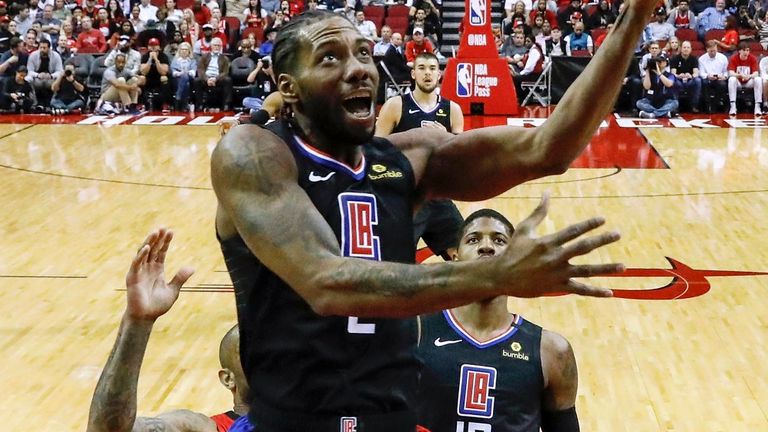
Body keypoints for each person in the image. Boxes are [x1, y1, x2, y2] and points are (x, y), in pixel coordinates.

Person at [212, 5, 656, 430]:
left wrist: (634, 17)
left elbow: (548, 148)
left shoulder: (409, 157)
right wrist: (495, 274)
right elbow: (327, 283)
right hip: (291, 421)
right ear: (288, 87)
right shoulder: (253, 153)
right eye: (330, 58)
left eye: (363, 53)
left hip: (392, 420)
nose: (357, 68)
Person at [417, 209, 580, 432]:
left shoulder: (552, 352)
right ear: (455, 258)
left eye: (499, 240)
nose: (486, 246)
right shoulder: (415, 332)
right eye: (473, 239)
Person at [85, 228, 249, 432]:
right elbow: (106, 429)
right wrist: (138, 322)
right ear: (228, 379)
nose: (267, 354)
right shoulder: (204, 427)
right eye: (250, 351)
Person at [375, 52, 465, 261]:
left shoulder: (452, 109)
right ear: (413, 74)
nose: (427, 73)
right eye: (422, 68)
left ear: (439, 74)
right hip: (405, 200)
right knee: (396, 263)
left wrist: (447, 138)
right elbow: (374, 151)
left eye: (432, 69)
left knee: (463, 255)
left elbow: (461, 159)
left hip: (439, 198)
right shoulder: (396, 105)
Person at [194, 37, 231, 111]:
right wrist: (207, 79)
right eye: (215, 45)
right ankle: (199, 105)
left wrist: (215, 79)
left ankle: (226, 104)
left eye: (218, 45)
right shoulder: (204, 57)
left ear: (221, 47)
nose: (217, 47)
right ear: (211, 46)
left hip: (218, 78)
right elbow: (200, 70)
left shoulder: (225, 58)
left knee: (228, 80)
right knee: (197, 80)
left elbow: (225, 72)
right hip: (206, 77)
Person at [637, 52, 678, 118]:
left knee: (675, 103)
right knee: (639, 103)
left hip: (665, 100)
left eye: (660, 62)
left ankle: (652, 114)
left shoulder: (670, 75)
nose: (658, 64)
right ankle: (663, 113)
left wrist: (659, 73)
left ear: (665, 63)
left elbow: (669, 84)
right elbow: (647, 87)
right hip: (651, 99)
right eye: (657, 62)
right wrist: (647, 71)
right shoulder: (650, 75)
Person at [727, 42, 763, 116]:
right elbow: (731, 73)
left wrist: (749, 76)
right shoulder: (733, 58)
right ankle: (733, 106)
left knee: (758, 79)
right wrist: (739, 75)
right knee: (732, 79)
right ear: (739, 51)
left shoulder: (752, 58)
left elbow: (756, 73)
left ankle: (757, 106)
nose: (746, 52)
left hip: (748, 82)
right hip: (738, 82)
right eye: (744, 50)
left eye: (747, 50)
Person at [25, 39, 63, 104]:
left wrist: (51, 76)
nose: (42, 50)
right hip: (36, 79)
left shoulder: (56, 56)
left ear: (49, 48)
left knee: (61, 79)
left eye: (44, 48)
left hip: (51, 79)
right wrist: (37, 75)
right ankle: (34, 103)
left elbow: (60, 71)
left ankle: (53, 102)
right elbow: (29, 70)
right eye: (41, 47)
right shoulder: (33, 55)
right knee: (27, 79)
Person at [139, 37, 171, 111]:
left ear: (159, 47)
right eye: (151, 45)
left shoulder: (163, 56)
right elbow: (143, 72)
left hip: (159, 79)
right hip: (148, 78)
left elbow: (163, 72)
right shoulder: (145, 56)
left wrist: (156, 60)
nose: (153, 47)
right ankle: (141, 103)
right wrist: (150, 59)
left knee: (164, 78)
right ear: (148, 47)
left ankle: (165, 103)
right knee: (141, 78)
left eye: (155, 45)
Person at [698, 40, 730, 113]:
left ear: (717, 48)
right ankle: (707, 105)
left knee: (722, 84)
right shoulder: (701, 59)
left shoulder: (723, 58)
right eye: (711, 51)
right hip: (707, 78)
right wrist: (707, 76)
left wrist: (724, 76)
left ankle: (715, 105)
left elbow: (726, 71)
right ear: (707, 49)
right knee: (704, 83)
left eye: (714, 50)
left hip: (720, 78)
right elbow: (701, 73)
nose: (713, 53)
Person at [670, 40, 701, 112]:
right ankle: (675, 106)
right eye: (684, 47)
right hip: (679, 80)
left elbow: (696, 73)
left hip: (690, 81)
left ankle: (694, 106)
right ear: (681, 49)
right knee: (673, 81)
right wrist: (678, 76)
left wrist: (691, 76)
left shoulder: (694, 59)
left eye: (688, 47)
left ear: (691, 49)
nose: (686, 49)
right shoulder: (675, 58)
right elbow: (673, 73)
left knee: (698, 80)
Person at [171, 41, 196, 111]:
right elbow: (173, 72)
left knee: (185, 77)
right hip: (177, 79)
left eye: (186, 49)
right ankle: (184, 105)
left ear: (189, 51)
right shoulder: (175, 60)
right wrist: (180, 74)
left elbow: (193, 72)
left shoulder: (192, 60)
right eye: (182, 49)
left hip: (190, 79)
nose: (184, 51)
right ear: (179, 50)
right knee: (186, 84)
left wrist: (185, 73)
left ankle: (178, 97)